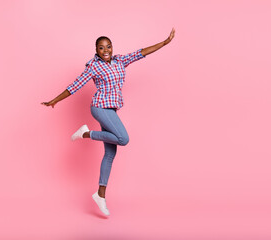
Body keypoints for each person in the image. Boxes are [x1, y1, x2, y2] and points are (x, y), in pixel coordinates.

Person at [41, 28, 175, 216]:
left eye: (108, 47)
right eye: (102, 48)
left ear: (112, 48)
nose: (106, 50)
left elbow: (141, 53)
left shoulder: (119, 60)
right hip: (99, 108)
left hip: (111, 110)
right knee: (123, 138)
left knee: (110, 154)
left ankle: (100, 195)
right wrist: (55, 100)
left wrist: (164, 42)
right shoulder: (94, 67)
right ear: (96, 50)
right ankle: (86, 133)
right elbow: (75, 85)